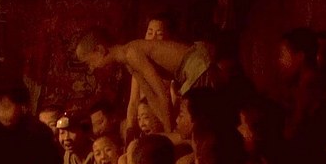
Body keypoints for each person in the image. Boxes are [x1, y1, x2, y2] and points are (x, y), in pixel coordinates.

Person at [75, 26, 220, 134]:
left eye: (90, 62)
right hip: (189, 73)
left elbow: (161, 94)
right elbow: (151, 98)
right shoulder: (129, 64)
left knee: (197, 124)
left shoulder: (131, 53)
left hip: (197, 67)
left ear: (100, 50)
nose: (91, 68)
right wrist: (166, 128)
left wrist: (168, 132)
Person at [125, 13, 177, 130]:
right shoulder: (139, 66)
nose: (153, 38)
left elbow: (174, 105)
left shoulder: (172, 69)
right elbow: (133, 102)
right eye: (149, 33)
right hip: (144, 126)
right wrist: (130, 129)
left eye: (159, 34)